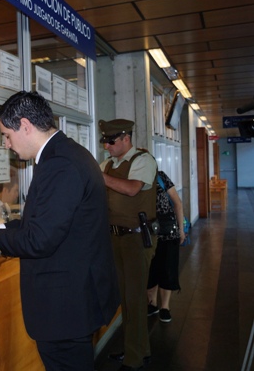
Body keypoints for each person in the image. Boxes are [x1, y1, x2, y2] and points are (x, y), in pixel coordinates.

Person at [0, 91, 120, 371]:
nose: (6, 144)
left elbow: (40, 239)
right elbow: (47, 222)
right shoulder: (66, 154)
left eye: (7, 135)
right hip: (74, 301)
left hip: (65, 307)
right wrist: (1, 226)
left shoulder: (59, 165)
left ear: (25, 126)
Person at [99, 119, 158, 371]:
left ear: (126, 138)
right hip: (115, 237)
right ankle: (137, 348)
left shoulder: (142, 161)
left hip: (136, 237)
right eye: (105, 141)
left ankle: (135, 358)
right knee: (125, 296)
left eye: (111, 141)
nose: (107, 146)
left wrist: (100, 177)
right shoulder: (109, 165)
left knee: (134, 297)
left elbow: (132, 189)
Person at [147, 170, 186, 323]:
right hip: (147, 234)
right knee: (151, 269)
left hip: (168, 232)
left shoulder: (160, 177)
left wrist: (181, 229)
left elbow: (177, 202)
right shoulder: (134, 179)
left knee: (167, 268)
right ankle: (152, 304)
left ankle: (165, 307)